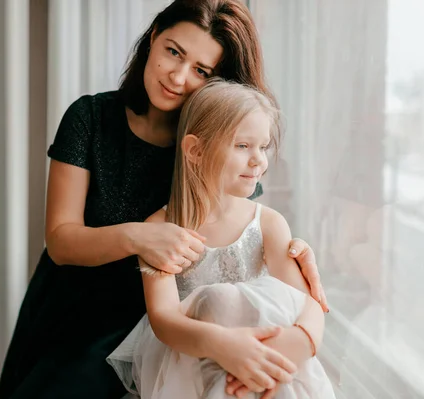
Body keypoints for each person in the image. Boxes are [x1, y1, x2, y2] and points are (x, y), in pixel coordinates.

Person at [0, 1, 329, 398]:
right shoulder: (91, 118)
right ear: (153, 38)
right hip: (78, 310)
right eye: (173, 51)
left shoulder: (213, 146)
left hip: (169, 322)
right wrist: (138, 237)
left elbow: (239, 225)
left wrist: (298, 259)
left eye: (201, 71)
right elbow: (61, 241)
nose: (178, 75)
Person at [107, 78, 336, 399]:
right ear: (196, 150)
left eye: (263, 146)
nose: (259, 160)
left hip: (268, 359)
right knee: (218, 301)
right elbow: (163, 319)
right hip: (194, 365)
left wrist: (296, 344)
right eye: (243, 146)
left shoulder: (269, 223)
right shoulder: (158, 230)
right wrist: (223, 346)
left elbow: (305, 303)